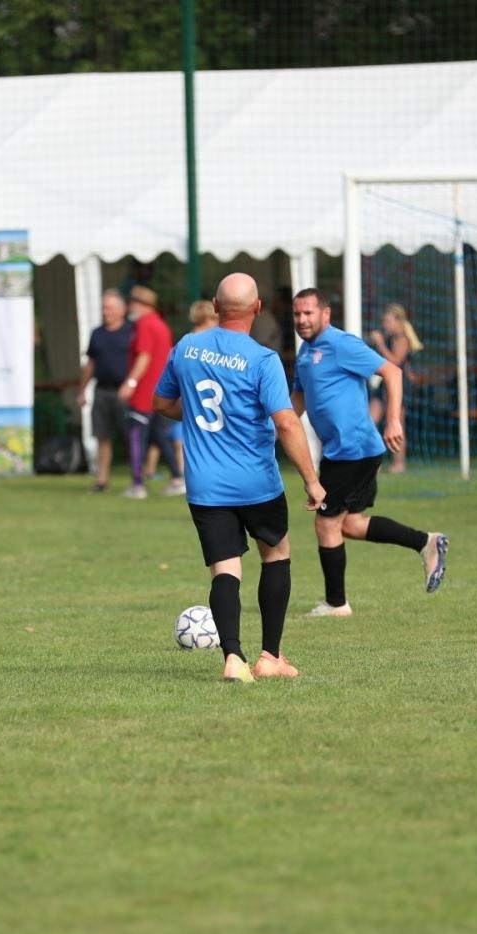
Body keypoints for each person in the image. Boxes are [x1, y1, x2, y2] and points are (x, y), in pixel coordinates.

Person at [152, 273, 326, 683]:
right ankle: (270, 657)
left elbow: (162, 403)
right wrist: (311, 480)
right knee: (276, 553)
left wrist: (195, 414)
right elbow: (286, 423)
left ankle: (233, 659)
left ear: (215, 305)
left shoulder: (186, 348)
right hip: (257, 482)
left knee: (225, 570)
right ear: (258, 308)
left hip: (206, 486)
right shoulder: (263, 359)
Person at [291, 288, 448, 618]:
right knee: (349, 525)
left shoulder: (342, 344)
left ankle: (337, 604)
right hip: (338, 452)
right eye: (297, 314)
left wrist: (392, 420)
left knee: (326, 524)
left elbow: (393, 372)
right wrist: (272, 429)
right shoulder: (305, 352)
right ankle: (425, 542)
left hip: (356, 450)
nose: (302, 319)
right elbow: (298, 401)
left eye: (308, 313)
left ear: (325, 314)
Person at [119, 284, 183, 498]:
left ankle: (138, 484)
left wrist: (130, 382)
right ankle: (177, 477)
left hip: (144, 392)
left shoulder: (145, 325)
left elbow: (144, 357)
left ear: (142, 304)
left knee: (136, 436)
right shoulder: (161, 325)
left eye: (133, 303)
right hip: (159, 391)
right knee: (160, 437)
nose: (129, 307)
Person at [75, 289, 132, 492]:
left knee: (131, 435)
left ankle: (138, 476)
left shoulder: (131, 332)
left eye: (108, 307)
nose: (105, 311)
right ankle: (102, 480)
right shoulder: (97, 334)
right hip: (102, 391)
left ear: (121, 310)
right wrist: (82, 390)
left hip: (126, 392)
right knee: (102, 436)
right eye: (103, 307)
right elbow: (90, 363)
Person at [366, 303, 423, 474]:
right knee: (369, 421)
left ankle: (399, 464)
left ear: (399, 321)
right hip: (384, 383)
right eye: (384, 321)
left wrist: (381, 344)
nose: (385, 325)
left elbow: (396, 362)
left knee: (397, 424)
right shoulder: (391, 338)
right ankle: (372, 462)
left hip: (397, 384)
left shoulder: (402, 339)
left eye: (388, 321)